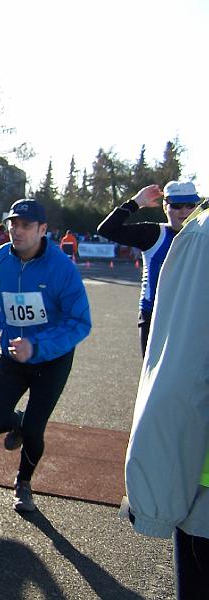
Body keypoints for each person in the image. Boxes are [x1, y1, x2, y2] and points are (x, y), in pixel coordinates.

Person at [0, 198, 91, 513]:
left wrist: (37, 346)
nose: (17, 230)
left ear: (43, 229)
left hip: (51, 361)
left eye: (26, 225)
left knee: (34, 431)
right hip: (14, 356)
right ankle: (20, 422)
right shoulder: (1, 257)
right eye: (13, 224)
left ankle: (23, 483)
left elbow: (80, 322)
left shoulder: (62, 269)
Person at [123, 198, 209, 599]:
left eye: (185, 203)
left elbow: (179, 377)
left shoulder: (197, 234)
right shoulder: (170, 235)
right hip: (156, 317)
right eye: (173, 203)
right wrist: (134, 205)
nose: (178, 209)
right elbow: (176, 373)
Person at [97, 182, 198, 355]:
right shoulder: (154, 233)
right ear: (165, 207)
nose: (184, 211)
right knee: (154, 379)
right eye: (177, 205)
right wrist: (136, 202)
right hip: (154, 317)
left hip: (192, 318)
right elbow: (107, 229)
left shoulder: (203, 235)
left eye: (190, 205)